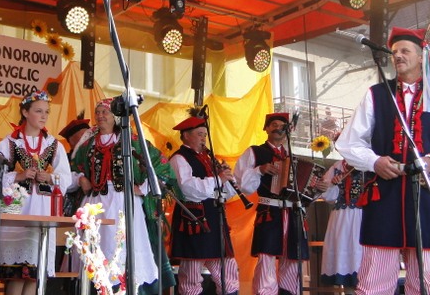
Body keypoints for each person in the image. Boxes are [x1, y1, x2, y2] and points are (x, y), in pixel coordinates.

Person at [335, 26, 430, 295]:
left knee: (427, 280)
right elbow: (348, 143)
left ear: (421, 56)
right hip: (385, 194)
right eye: (395, 51)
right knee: (374, 281)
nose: (398, 56)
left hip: (426, 195)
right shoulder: (376, 94)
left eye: (405, 51)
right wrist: (375, 161)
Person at [70, 98, 176, 292]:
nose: (100, 116)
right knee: (96, 248)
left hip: (124, 201)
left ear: (115, 117)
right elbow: (72, 168)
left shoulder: (131, 141)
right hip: (95, 202)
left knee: (123, 247)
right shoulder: (88, 144)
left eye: (105, 112)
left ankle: (125, 288)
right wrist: (80, 179)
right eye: (98, 112)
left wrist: (142, 188)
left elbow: (159, 165)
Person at [233, 112, 330, 295]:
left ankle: (290, 292)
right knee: (267, 255)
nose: (278, 128)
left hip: (293, 212)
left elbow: (304, 194)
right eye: (274, 125)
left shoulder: (292, 156)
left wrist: (318, 188)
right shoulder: (255, 152)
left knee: (293, 258)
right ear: (266, 128)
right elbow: (241, 184)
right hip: (269, 209)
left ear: (289, 130)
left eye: (282, 126)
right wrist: (259, 170)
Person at [0, 90, 71, 295]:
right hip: (17, 211)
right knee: (16, 275)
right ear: (25, 112)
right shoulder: (9, 143)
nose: (44, 116)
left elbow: (66, 179)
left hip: (42, 211)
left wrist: (49, 178)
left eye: (46, 112)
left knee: (35, 274)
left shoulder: (53, 144)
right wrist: (19, 176)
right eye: (38, 111)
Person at [169, 115, 240, 295]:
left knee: (227, 270)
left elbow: (222, 193)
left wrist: (228, 181)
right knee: (192, 273)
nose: (203, 139)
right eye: (199, 134)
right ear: (186, 135)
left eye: (205, 135)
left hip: (215, 217)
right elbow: (187, 188)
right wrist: (218, 179)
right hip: (193, 218)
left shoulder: (208, 159)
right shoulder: (179, 158)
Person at [319, 159, 364, 289]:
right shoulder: (336, 167)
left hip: (362, 216)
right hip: (341, 218)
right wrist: (332, 185)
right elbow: (328, 196)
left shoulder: (367, 163)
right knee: (345, 262)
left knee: (361, 257)